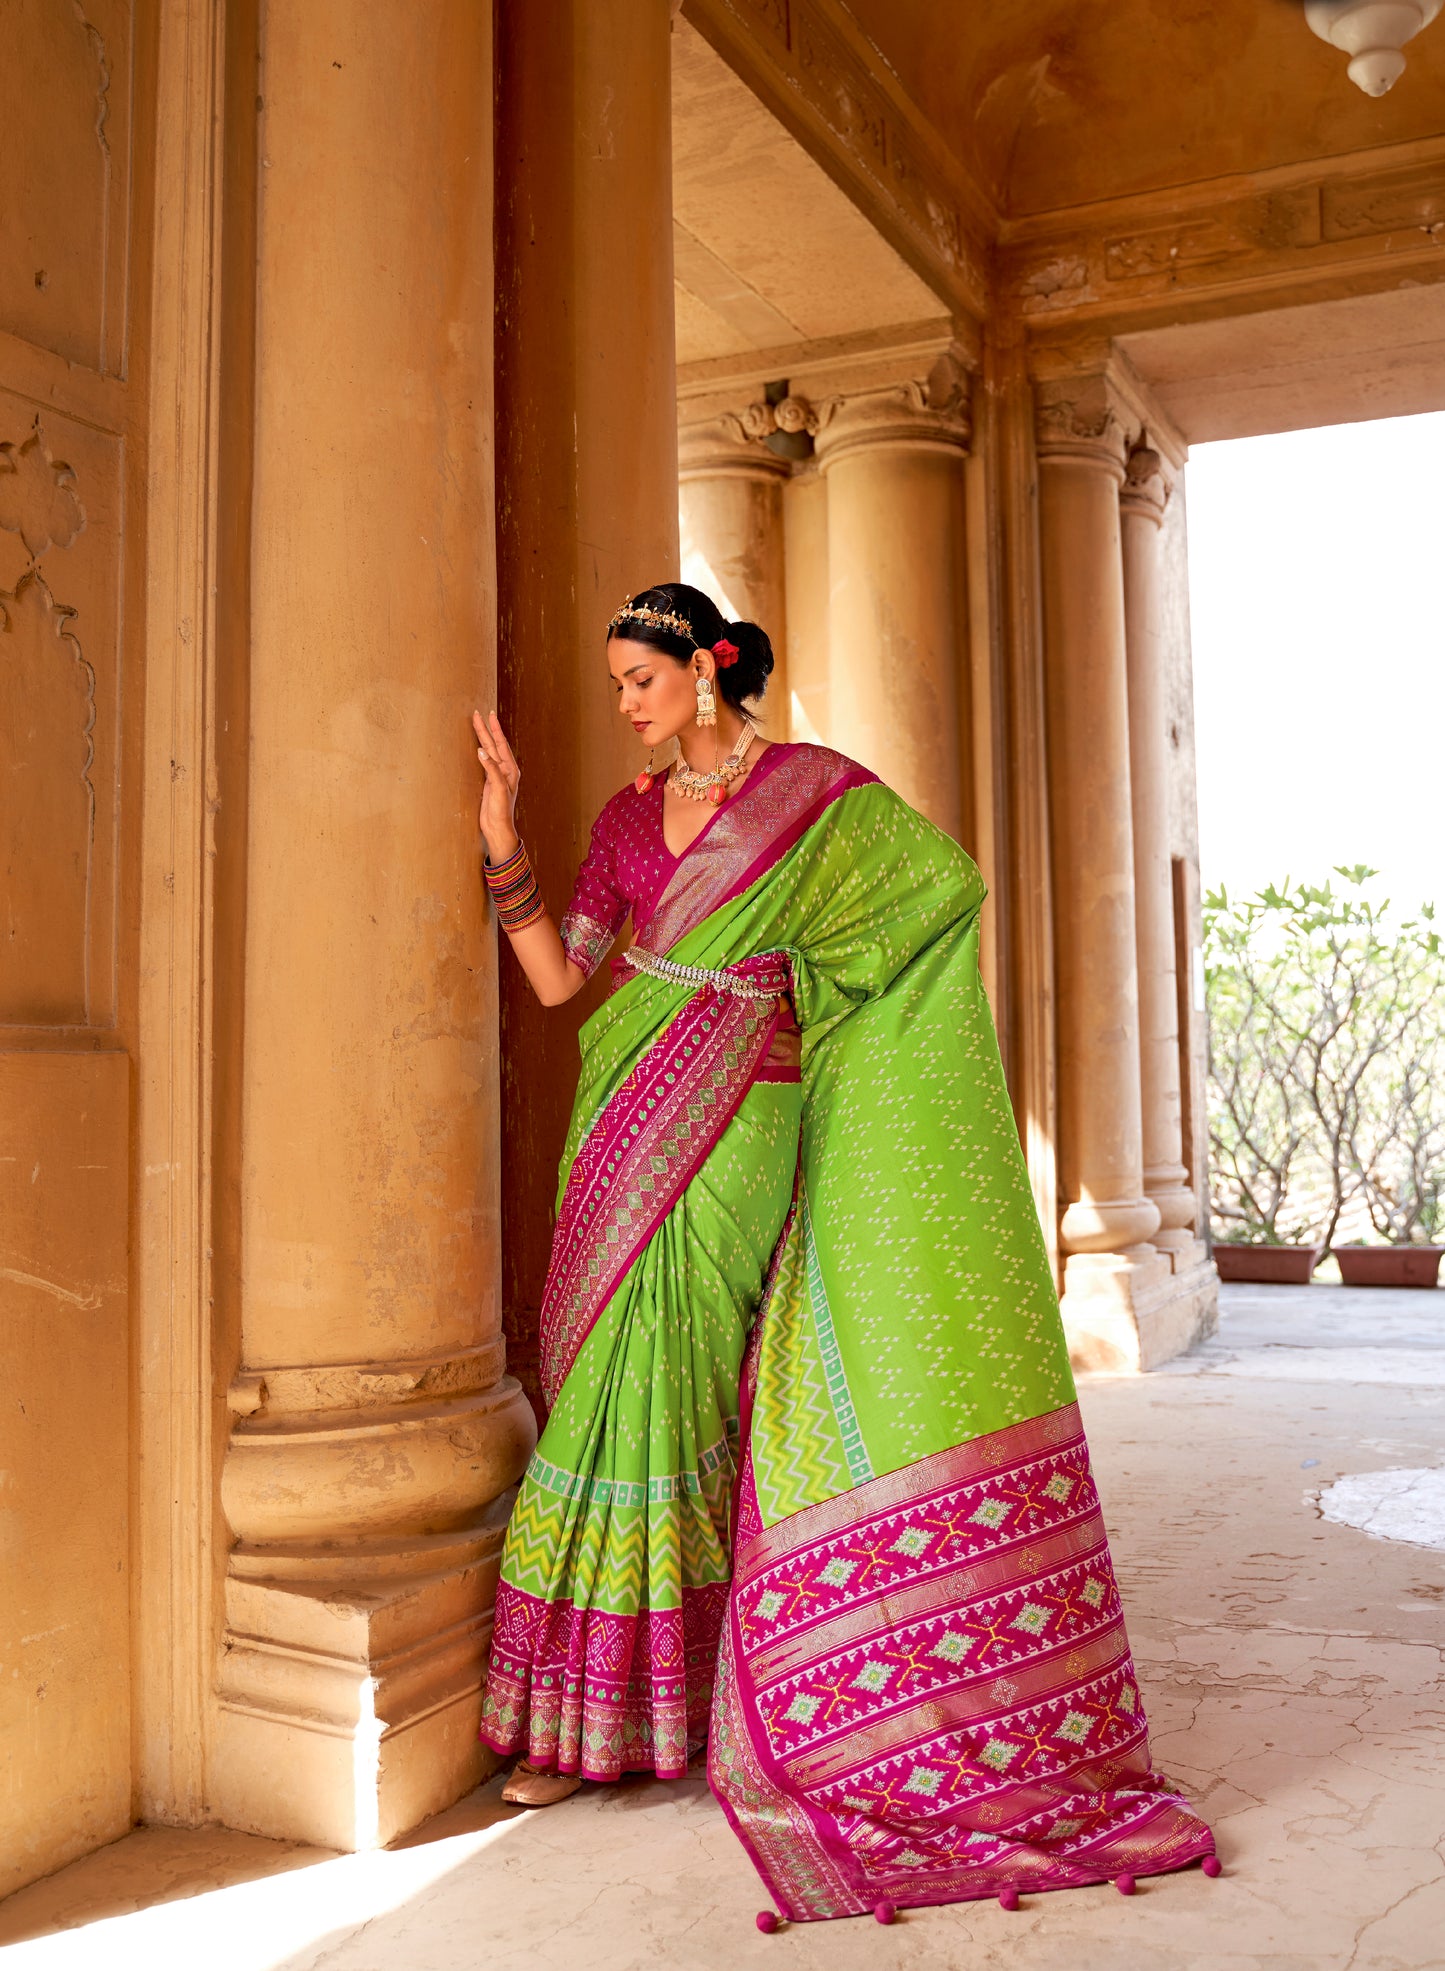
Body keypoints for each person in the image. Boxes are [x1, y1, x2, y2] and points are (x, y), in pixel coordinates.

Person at [472, 582, 1214, 1925]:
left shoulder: (812, 798)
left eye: (638, 680)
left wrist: (835, 1009)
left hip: (743, 1114)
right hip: (620, 1107)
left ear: (703, 672)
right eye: (615, 686)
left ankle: (618, 1722)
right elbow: (557, 981)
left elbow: (938, 890)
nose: (624, 707)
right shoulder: (625, 823)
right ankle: (624, 1705)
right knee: (599, 1376)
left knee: (669, 1374)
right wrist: (501, 837)